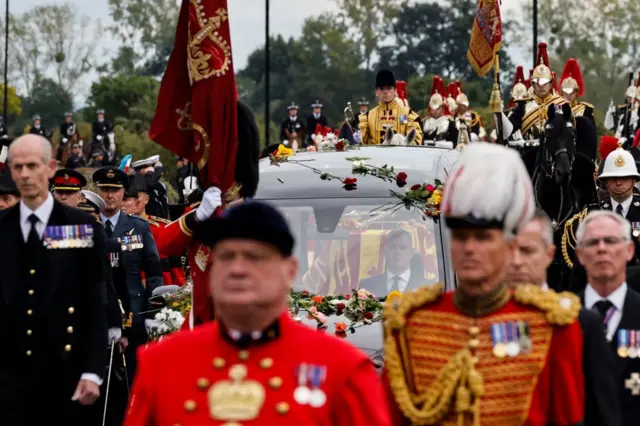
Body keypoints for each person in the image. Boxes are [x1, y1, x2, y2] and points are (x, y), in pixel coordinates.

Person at [124, 201, 392, 426]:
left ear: (290, 270)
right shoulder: (162, 364)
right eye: (226, 257)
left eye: (255, 257)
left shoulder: (342, 369)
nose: (238, 269)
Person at [383, 143, 585, 425]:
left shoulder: (554, 327)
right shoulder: (410, 324)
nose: (469, 248)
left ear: (509, 245)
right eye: (460, 237)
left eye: (482, 238)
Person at [0, 134, 107, 425]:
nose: (24, 174)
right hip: (8, 374)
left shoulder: (79, 225)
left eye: (32, 165)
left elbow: (95, 300)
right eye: (17, 166)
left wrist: (93, 370)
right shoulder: (2, 228)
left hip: (65, 371)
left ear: (50, 168)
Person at [505, 208, 621, 426]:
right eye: (508, 251)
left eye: (527, 250)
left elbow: (603, 414)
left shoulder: (581, 322)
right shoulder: (481, 318)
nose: (517, 261)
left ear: (549, 254)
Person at [93, 166, 163, 381]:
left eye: (115, 190)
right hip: (97, 311)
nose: (110, 195)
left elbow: (153, 274)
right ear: (96, 191)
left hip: (133, 314)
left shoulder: (139, 228)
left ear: (123, 192)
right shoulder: (86, 225)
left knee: (133, 377)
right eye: (104, 189)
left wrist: (152, 313)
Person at [575, 210, 640, 426]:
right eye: (593, 243)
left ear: (629, 251)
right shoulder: (563, 318)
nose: (602, 249)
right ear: (580, 254)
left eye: (611, 241)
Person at [499, 42, 570, 141]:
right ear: (532, 84)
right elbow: (506, 133)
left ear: (550, 83)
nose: (541, 86)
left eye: (545, 82)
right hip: (529, 154)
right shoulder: (523, 106)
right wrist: (499, 112)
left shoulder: (562, 104)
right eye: (538, 82)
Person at [125, 174, 186, 286]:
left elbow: (176, 273)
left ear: (146, 199)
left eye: (137, 196)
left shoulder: (161, 229)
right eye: (125, 198)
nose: (131, 201)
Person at [358, 69, 423, 145]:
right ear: (376, 91)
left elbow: (416, 141)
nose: (385, 92)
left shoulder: (408, 114)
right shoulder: (367, 117)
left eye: (389, 88)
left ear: (395, 90)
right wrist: (357, 138)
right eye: (382, 88)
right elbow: (361, 143)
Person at [359, 229, 424, 296]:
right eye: (392, 247)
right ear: (385, 252)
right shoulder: (366, 287)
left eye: (402, 248)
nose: (397, 252)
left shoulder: (428, 287)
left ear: (411, 253)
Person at [131, 155, 170, 219]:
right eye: (150, 172)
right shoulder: (139, 184)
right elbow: (150, 183)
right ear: (143, 171)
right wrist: (157, 170)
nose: (153, 173)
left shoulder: (158, 185)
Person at [422, 75, 457, 144]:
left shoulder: (450, 122)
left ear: (442, 107)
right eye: (432, 108)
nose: (435, 111)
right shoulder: (424, 122)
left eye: (438, 108)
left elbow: (454, 141)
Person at [560, 58, 595, 124]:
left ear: (576, 92)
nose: (568, 95)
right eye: (566, 92)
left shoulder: (585, 109)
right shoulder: (556, 109)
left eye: (571, 92)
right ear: (562, 92)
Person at [604, 75, 639, 142]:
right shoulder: (621, 110)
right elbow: (608, 126)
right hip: (621, 140)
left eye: (633, 98)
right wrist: (610, 113)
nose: (631, 100)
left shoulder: (637, 112)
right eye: (629, 97)